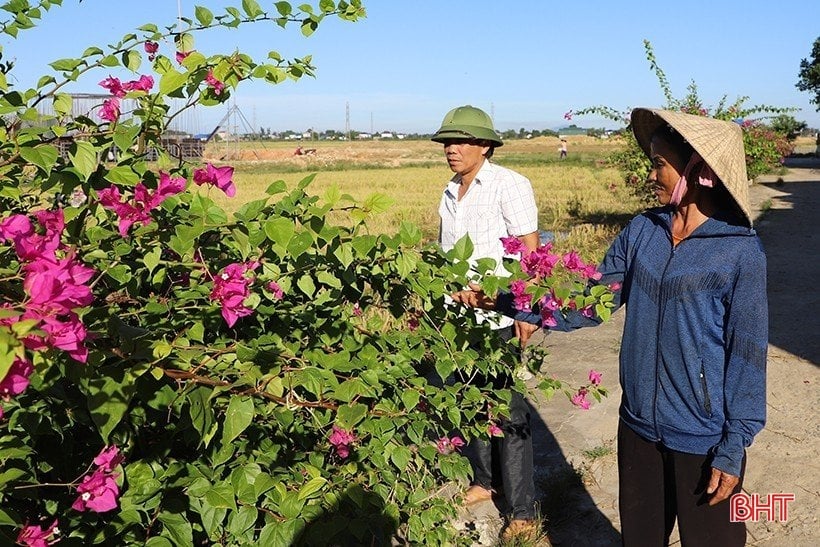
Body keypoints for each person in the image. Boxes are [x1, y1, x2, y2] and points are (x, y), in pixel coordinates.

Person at [456, 108, 768, 546]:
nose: (650, 173)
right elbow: (590, 305)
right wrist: (509, 300)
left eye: (659, 163)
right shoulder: (643, 231)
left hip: (705, 437)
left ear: (697, 167)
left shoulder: (739, 252)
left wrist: (735, 444)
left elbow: (748, 352)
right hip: (638, 426)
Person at [431, 105, 541, 540]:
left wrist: (526, 310)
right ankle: (483, 481)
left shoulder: (509, 184)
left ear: (485, 145)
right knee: (468, 399)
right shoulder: (449, 189)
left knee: (508, 409)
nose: (451, 150)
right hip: (458, 318)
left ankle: (522, 509)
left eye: (459, 141)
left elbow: (530, 250)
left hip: (497, 313)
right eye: (446, 142)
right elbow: (445, 253)